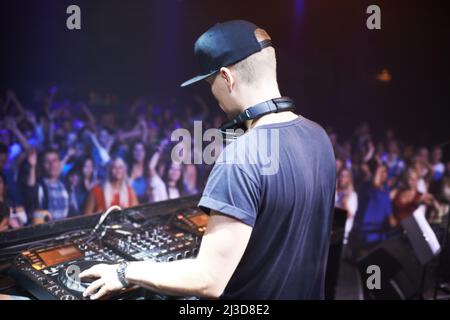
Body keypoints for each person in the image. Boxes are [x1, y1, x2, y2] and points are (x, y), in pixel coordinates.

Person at [81, 20, 336, 300]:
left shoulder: (242, 155)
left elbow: (208, 280)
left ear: (227, 77)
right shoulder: (318, 136)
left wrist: (124, 271)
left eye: (209, 82)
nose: (213, 95)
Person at [23, 148, 70, 223]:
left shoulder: (65, 185)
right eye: (47, 161)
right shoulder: (39, 185)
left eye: (55, 160)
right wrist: (32, 166)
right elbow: (30, 191)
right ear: (42, 165)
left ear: (59, 163)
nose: (52, 165)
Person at [335, 168, 358, 243]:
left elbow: (349, 216)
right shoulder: (334, 191)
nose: (342, 178)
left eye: (345, 176)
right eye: (341, 175)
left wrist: (344, 202)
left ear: (349, 179)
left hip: (341, 238)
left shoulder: (352, 195)